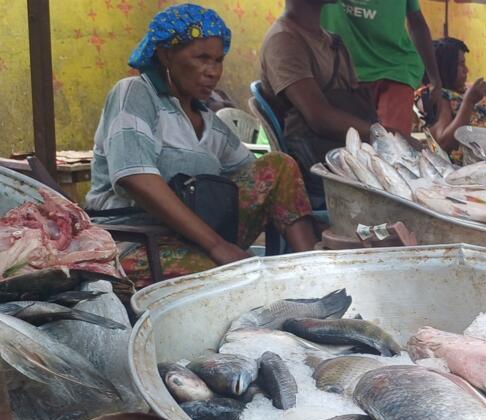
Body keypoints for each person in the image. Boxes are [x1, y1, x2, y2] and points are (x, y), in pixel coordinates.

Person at [86, 4, 316, 287]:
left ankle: (312, 270)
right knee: (236, 279)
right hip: (134, 244)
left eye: (218, 60)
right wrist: (218, 245)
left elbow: (258, 181)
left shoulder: (209, 122)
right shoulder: (135, 93)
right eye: (202, 58)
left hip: (195, 239)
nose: (213, 71)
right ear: (166, 55)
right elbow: (136, 177)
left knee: (279, 166)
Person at [260, 0, 379, 209]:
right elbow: (319, 118)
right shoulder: (284, 40)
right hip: (318, 168)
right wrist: (383, 134)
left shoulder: (334, 43)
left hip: (348, 157)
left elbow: (357, 102)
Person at [320, 0, 442, 136]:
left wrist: (435, 80)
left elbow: (417, 23)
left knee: (394, 145)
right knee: (345, 146)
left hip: (396, 71)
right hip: (341, 71)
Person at [415, 37, 486, 157]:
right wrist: (468, 102)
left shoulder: (456, 93)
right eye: (461, 64)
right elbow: (443, 144)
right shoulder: (437, 96)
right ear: (445, 66)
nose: (466, 70)